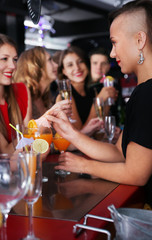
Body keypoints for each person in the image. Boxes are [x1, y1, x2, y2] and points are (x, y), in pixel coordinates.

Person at [47, 0, 152, 208]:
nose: (112, 54)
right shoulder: (143, 92)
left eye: (114, 42)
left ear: (140, 40)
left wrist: (85, 165)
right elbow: (119, 152)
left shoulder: (147, 93)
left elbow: (135, 173)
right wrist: (72, 134)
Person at [0, 33, 30, 153]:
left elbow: (29, 146)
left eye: (14, 59)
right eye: (4, 59)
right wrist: (38, 126)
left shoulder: (22, 90)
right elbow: (6, 152)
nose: (13, 66)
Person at [56, 46, 117, 131]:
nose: (77, 68)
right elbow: (79, 135)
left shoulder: (92, 91)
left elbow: (98, 130)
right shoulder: (64, 97)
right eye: (70, 65)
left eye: (80, 62)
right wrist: (99, 100)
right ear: (64, 71)